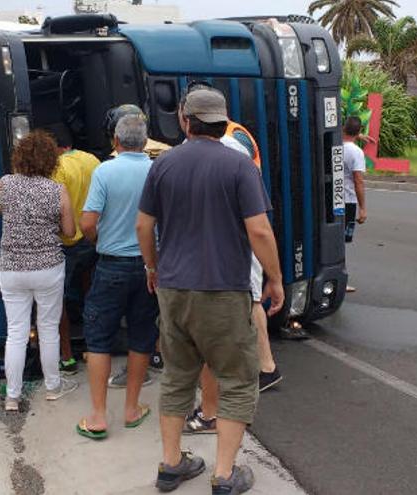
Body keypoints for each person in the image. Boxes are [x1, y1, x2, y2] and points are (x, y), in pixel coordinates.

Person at [136, 88, 284, 494]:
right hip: (223, 289)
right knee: (236, 379)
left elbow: (143, 227)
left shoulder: (163, 164)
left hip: (173, 289)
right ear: (222, 121)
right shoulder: (239, 166)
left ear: (186, 120)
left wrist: (152, 267)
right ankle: (224, 475)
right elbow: (258, 229)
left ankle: (171, 465)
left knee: (177, 377)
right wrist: (274, 278)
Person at [183, 120, 283, 435]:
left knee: (252, 299)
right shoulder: (237, 139)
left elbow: (258, 225)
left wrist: (275, 277)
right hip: (239, 237)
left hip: (238, 240)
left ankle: (264, 368)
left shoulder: (227, 148)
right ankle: (264, 367)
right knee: (251, 298)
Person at [75, 112, 158, 440]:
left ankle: (97, 416)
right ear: (145, 141)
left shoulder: (104, 171)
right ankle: (131, 409)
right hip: (148, 266)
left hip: (110, 266)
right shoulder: (156, 170)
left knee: (98, 338)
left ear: (116, 141)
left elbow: (86, 222)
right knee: (141, 337)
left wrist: (99, 242)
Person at [0, 130, 79, 412]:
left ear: (21, 157)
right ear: (51, 160)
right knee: (48, 328)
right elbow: (69, 231)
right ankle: (53, 388)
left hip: (12, 268)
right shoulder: (57, 190)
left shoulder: (6, 183)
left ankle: (12, 397)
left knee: (16, 331)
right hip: (48, 268)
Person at [47, 124, 101, 375]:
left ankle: (67, 356)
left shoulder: (56, 169)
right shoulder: (91, 160)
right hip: (91, 239)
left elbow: (57, 211)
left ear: (57, 147)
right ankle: (93, 348)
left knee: (60, 302)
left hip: (66, 243)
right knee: (90, 294)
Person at [343, 116, 368, 293]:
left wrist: (357, 136)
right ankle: (340, 279)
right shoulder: (356, 153)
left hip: (332, 199)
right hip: (348, 202)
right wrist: (363, 208)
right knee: (341, 242)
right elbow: (358, 181)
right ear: (359, 131)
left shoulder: (333, 145)